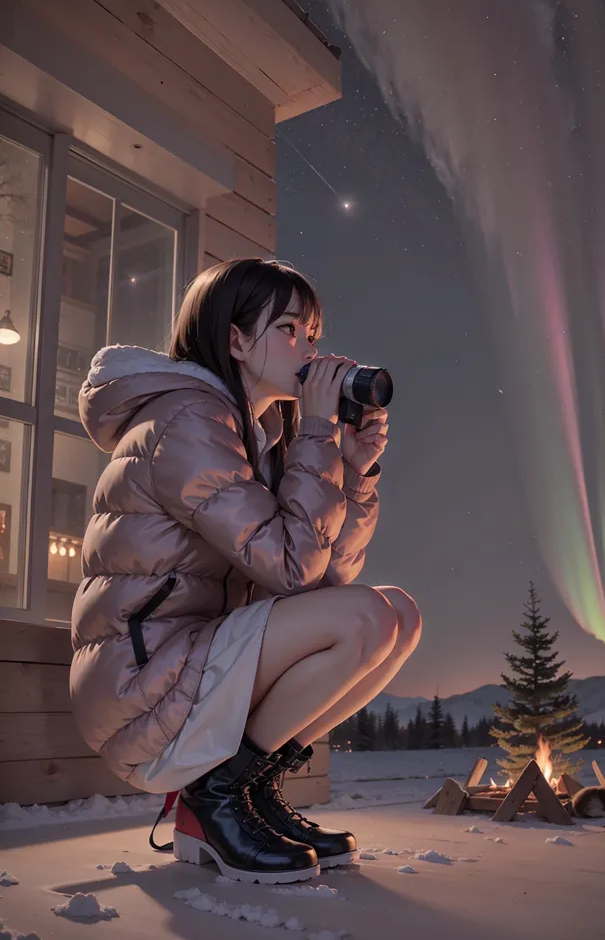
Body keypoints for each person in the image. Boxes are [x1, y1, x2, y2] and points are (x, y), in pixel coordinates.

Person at [70, 258, 422, 885]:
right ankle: (214, 799)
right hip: (144, 685)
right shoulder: (186, 423)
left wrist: (355, 470)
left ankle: (249, 791)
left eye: (312, 333)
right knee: (370, 615)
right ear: (235, 339)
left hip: (194, 664)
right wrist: (316, 432)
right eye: (290, 329)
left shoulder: (254, 434)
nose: (310, 351)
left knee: (397, 613)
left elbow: (326, 582)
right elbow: (292, 567)